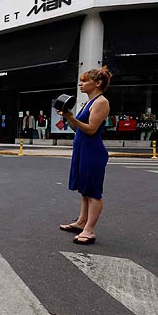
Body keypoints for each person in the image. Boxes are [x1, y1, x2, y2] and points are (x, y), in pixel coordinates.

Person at [58, 67, 112, 245]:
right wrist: (69, 117)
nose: (81, 84)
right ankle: (82, 222)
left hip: (92, 151)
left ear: (97, 83)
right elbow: (77, 129)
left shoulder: (101, 102)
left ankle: (89, 230)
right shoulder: (89, 102)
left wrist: (72, 117)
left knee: (93, 192)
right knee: (84, 190)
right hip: (82, 149)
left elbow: (91, 129)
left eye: (85, 81)